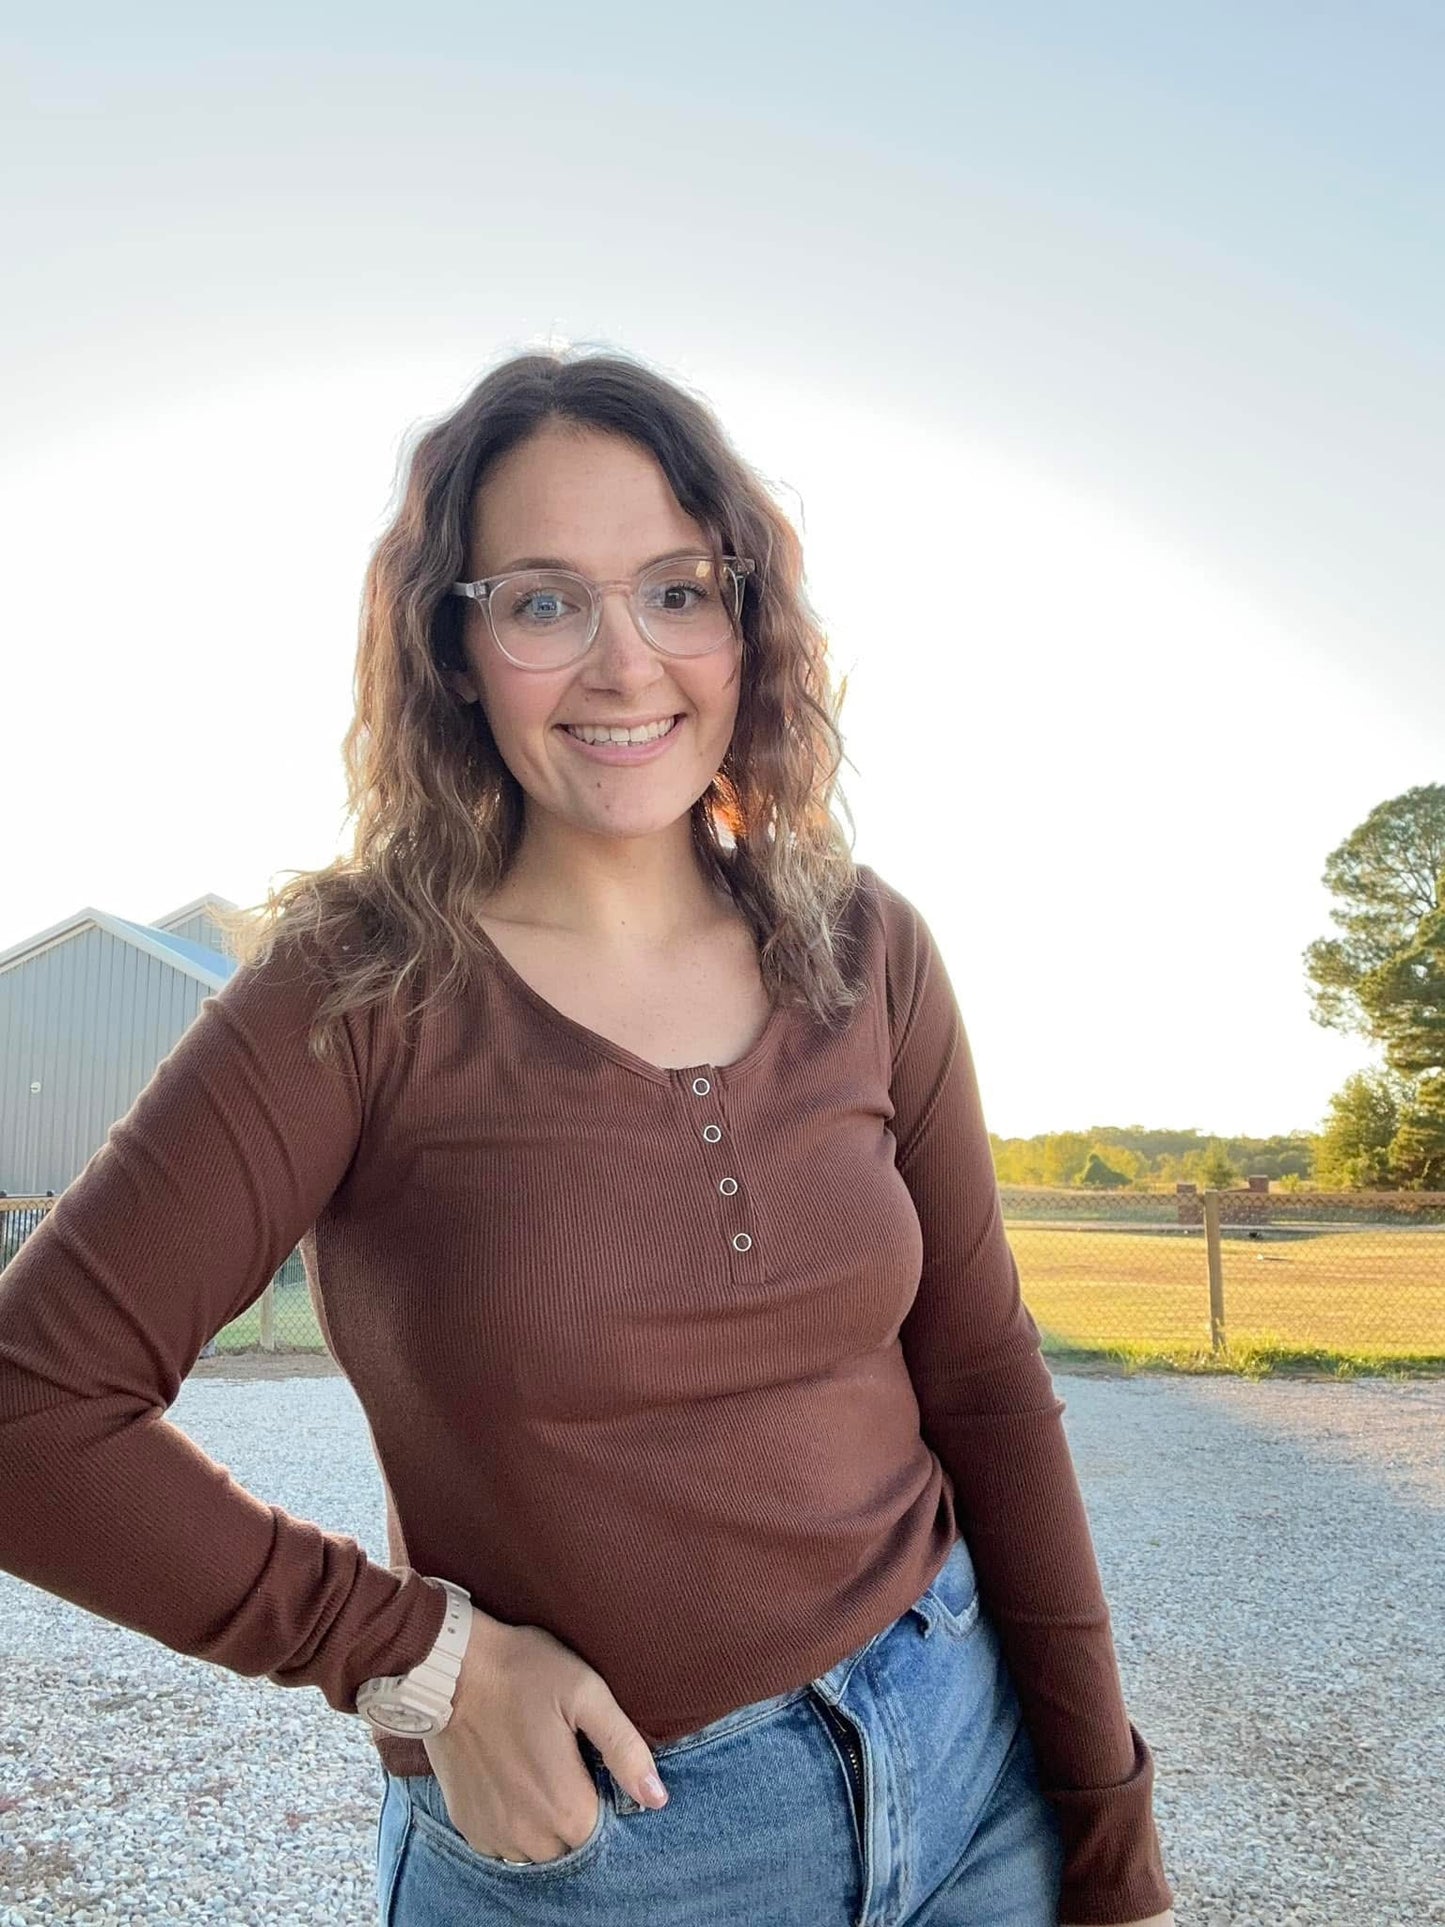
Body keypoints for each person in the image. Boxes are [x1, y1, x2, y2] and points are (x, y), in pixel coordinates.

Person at [0, 347, 1175, 1927]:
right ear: (457, 648)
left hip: (973, 1782)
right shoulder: (357, 986)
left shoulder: (866, 946)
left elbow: (982, 1383)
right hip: (619, 1859)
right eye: (546, 602)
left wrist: (1106, 1839)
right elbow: (29, 1410)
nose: (627, 665)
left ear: (748, 623)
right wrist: (411, 1657)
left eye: (679, 589)